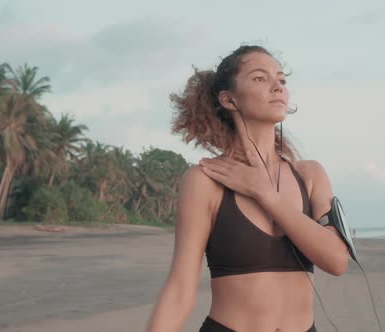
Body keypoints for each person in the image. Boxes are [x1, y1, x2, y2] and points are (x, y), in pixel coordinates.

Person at [146, 45, 350, 332]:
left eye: (281, 79)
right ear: (229, 99)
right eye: (259, 78)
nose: (277, 86)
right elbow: (180, 290)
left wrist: (266, 194)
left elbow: (337, 261)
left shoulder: (310, 175)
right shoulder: (206, 180)